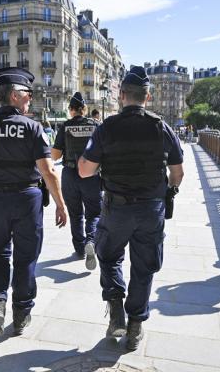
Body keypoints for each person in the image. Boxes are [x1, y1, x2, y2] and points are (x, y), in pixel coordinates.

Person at [78, 66, 184, 351]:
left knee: (109, 255)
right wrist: (169, 191)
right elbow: (178, 172)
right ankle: (135, 325)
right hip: (151, 209)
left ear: (122, 95)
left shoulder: (107, 128)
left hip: (117, 208)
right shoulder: (162, 128)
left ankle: (115, 307)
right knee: (144, 266)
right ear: (147, 97)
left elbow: (85, 170)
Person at [0, 67, 67, 336]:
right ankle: (21, 312)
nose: (30, 99)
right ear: (14, 95)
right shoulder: (33, 128)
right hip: (26, 199)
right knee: (25, 258)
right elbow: (48, 171)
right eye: (27, 94)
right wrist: (60, 203)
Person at [51, 92, 101, 270]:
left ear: (71, 110)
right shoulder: (95, 125)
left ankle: (80, 248)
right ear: (84, 109)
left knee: (76, 214)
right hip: (91, 175)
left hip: (70, 174)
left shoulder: (65, 126)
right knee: (94, 213)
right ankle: (92, 240)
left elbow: (55, 155)